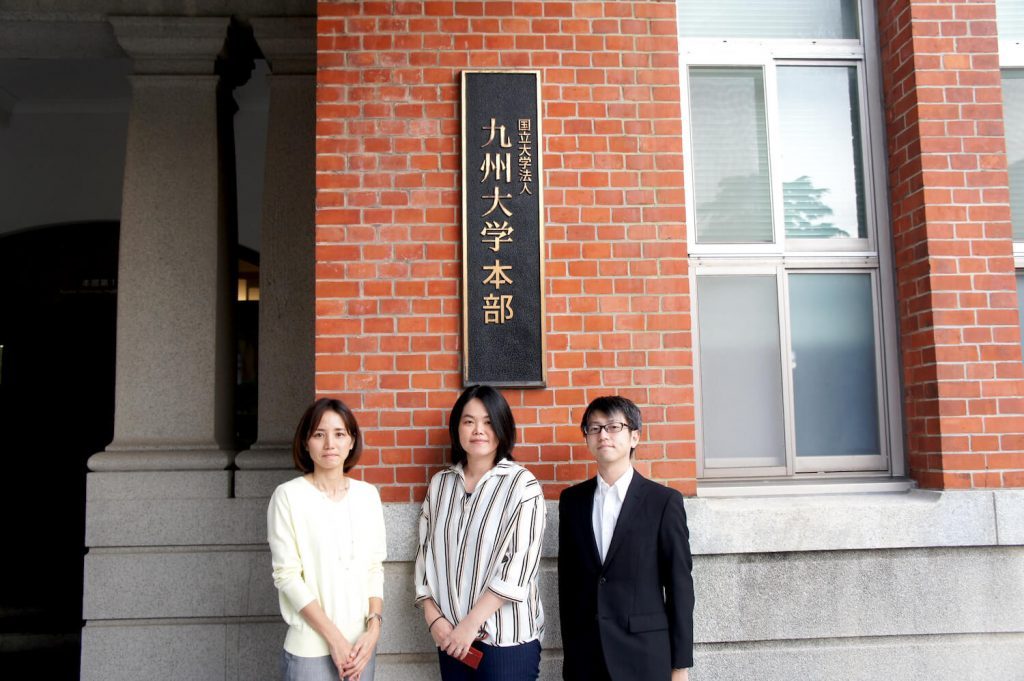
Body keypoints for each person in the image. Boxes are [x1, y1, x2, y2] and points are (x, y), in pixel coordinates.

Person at [414, 384, 547, 681]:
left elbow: (518, 567)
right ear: (457, 427)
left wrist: (470, 625)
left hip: (505, 641)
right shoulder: (440, 485)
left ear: (502, 428)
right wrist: (433, 617)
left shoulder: (522, 485)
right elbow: (425, 557)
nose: (478, 430)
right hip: (449, 638)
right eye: (469, 421)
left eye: (488, 422)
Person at [558, 395, 694, 681]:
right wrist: (571, 657)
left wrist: (679, 666)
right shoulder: (572, 501)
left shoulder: (663, 501)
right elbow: (567, 586)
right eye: (594, 428)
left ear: (634, 437)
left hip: (644, 657)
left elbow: (680, 586)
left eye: (613, 426)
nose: (603, 435)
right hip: (586, 658)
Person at [268, 398, 387, 681]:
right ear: (306, 442)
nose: (330, 444)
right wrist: (335, 640)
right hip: (310, 651)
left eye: (339, 434)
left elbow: (374, 567)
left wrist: (374, 629)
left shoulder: (368, 495)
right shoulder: (288, 496)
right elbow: (287, 576)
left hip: (360, 650)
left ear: (351, 441)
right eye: (319, 434)